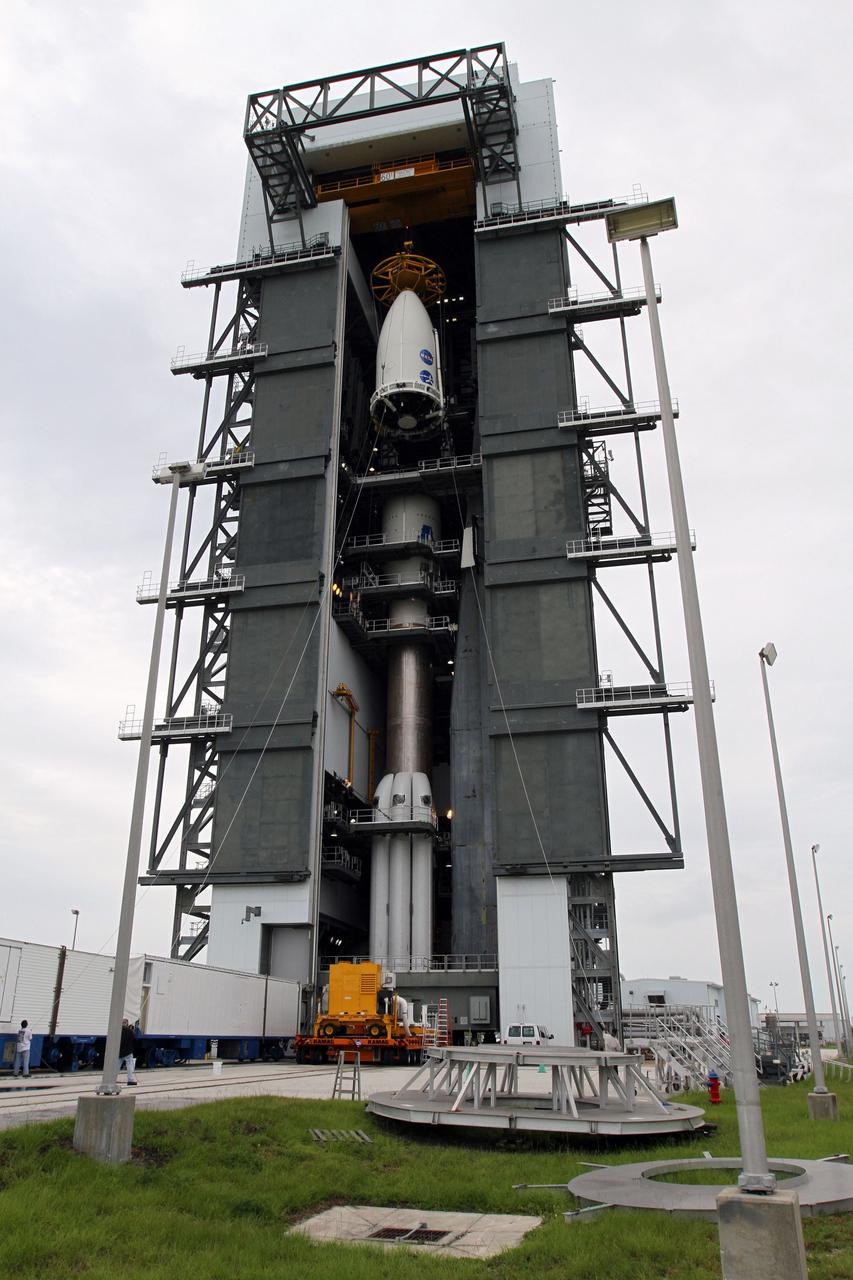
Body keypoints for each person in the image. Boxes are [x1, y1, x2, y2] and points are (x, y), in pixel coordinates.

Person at [119, 1019, 137, 1086]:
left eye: (124, 1023)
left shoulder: (118, 1031)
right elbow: (134, 1040)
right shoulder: (130, 1031)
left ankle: (112, 1080)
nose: (123, 1024)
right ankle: (130, 1080)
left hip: (119, 1052)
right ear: (127, 1024)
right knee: (130, 1066)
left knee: (116, 1067)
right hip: (128, 1052)